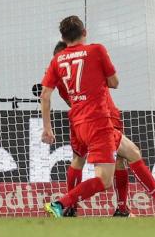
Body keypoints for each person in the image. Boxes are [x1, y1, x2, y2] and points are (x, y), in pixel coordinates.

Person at [41, 16, 155, 218]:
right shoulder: (96, 50)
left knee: (129, 152)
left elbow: (46, 95)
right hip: (100, 121)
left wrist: (47, 128)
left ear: (63, 39)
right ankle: (61, 204)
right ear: (85, 32)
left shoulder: (57, 62)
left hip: (79, 122)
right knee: (104, 180)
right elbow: (115, 82)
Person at [53, 41, 131, 217]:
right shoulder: (88, 59)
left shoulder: (59, 78)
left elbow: (70, 100)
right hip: (103, 117)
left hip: (79, 120)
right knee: (121, 160)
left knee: (78, 158)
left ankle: (70, 207)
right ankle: (123, 208)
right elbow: (113, 81)